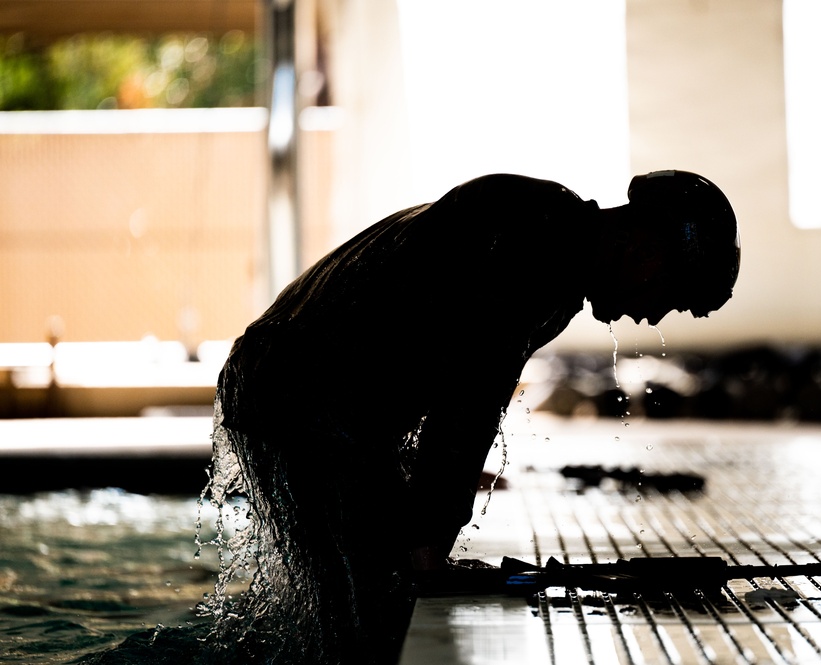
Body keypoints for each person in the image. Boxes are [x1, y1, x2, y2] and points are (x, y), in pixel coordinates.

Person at [210, 170, 740, 663]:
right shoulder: (540, 240)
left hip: (295, 383)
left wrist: (423, 522)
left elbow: (445, 377)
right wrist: (426, 545)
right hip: (295, 387)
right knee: (365, 605)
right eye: (675, 295)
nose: (654, 316)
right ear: (649, 248)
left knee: (350, 601)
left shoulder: (552, 239)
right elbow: (469, 400)